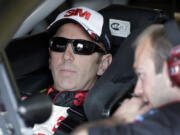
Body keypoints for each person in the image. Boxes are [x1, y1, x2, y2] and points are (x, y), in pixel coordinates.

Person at [71, 20, 180, 135]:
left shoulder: (161, 125)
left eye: (142, 75)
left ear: (175, 70)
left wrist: (118, 120)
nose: (138, 90)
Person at [33, 6, 112, 135]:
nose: (67, 56)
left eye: (82, 47)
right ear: (50, 58)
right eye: (59, 44)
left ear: (103, 64)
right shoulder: (17, 100)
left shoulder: (103, 126)